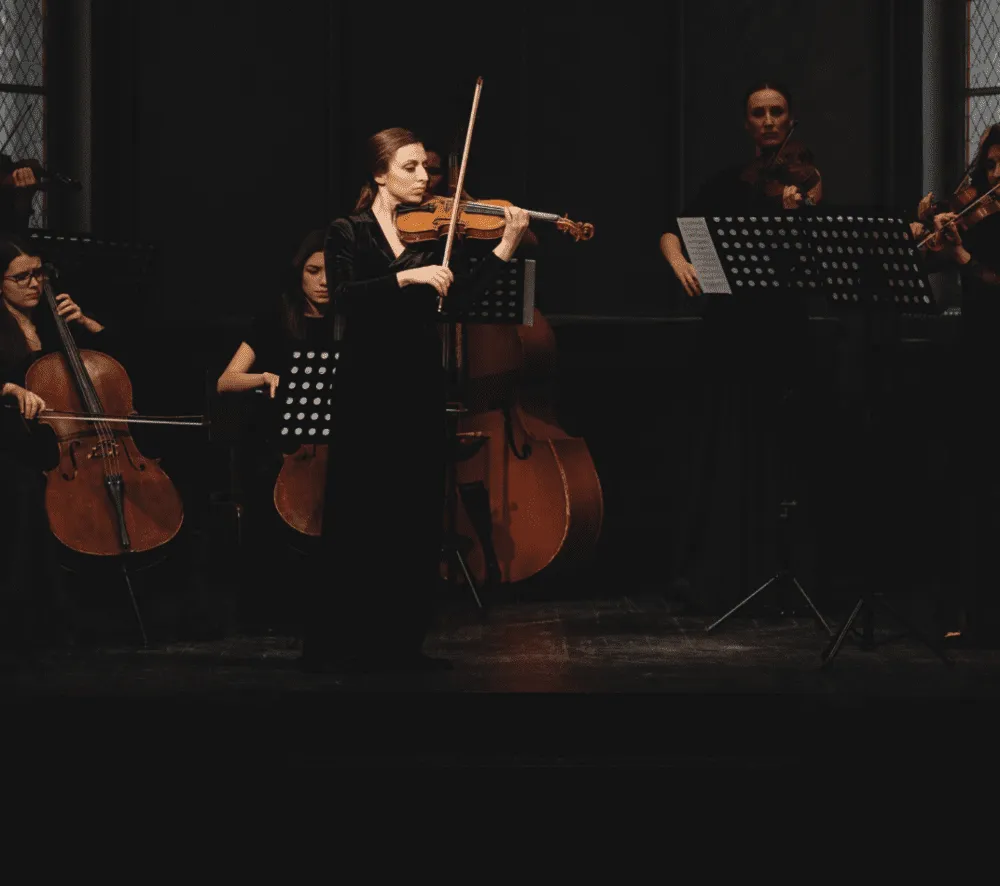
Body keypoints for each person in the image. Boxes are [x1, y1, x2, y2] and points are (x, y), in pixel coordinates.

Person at [304, 126, 529, 674]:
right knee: (364, 516)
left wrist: (504, 246)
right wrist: (407, 279)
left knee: (414, 517)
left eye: (426, 168)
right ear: (379, 174)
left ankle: (401, 645)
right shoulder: (348, 230)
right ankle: (343, 646)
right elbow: (346, 298)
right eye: (409, 168)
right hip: (367, 389)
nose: (424, 178)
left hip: (418, 385)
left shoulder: (431, 236)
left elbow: (458, 301)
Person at [657, 81, 821, 614]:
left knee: (775, 455)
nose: (769, 121)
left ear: (790, 119)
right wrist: (681, 261)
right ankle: (719, 572)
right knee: (723, 453)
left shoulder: (805, 179)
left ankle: (774, 573)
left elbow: (811, 249)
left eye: (778, 112)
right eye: (759, 113)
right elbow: (672, 231)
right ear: (746, 123)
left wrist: (800, 210)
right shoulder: (729, 183)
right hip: (727, 335)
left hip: (780, 335)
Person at [216, 228, 334, 628]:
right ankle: (270, 606)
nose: (323, 281)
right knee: (264, 482)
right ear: (299, 273)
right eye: (313, 271)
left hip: (333, 442)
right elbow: (226, 379)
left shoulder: (349, 322)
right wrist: (264, 376)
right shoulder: (275, 318)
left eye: (332, 272)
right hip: (282, 444)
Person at [916, 124, 1000, 646]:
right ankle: (968, 612)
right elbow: (924, 255)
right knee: (969, 487)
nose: (995, 175)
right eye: (989, 165)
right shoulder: (982, 217)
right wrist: (931, 225)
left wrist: (962, 258)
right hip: (975, 360)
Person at [0, 238, 100, 664]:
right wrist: (8, 387)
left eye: (37, 273)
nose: (33, 284)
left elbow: (103, 368)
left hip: (58, 442)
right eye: (20, 277)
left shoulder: (54, 317)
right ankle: (23, 627)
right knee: (23, 495)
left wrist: (89, 325)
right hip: (10, 440)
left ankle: (73, 619)